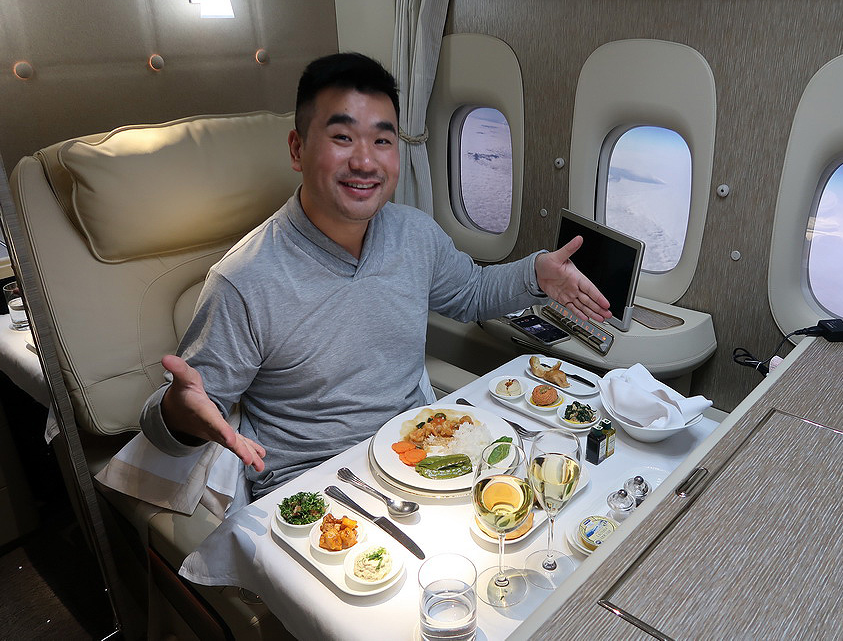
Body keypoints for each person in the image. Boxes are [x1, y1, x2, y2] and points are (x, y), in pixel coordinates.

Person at [140, 52, 610, 500]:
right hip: (321, 483)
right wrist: (178, 414)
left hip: (423, 450)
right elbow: (184, 413)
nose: (365, 161)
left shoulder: (414, 233)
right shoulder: (245, 280)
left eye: (382, 140)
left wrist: (536, 273)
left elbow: (471, 293)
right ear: (298, 149)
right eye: (342, 137)